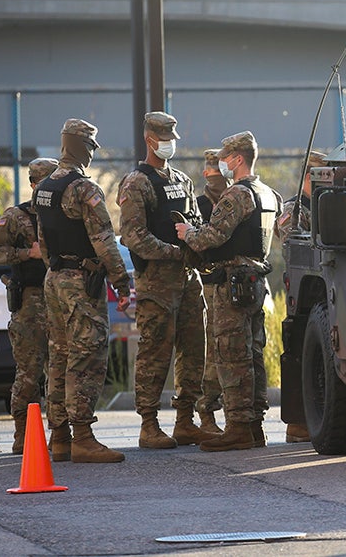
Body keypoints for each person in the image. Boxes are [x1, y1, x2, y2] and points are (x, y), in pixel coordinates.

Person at [177, 131, 282, 451]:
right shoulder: (267, 192)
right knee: (251, 354)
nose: (221, 162)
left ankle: (237, 426)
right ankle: (254, 426)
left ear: (237, 159)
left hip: (231, 284)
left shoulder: (237, 194)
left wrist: (187, 232)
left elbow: (212, 236)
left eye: (225, 157)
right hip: (255, 281)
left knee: (230, 355)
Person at [35, 118, 132, 463]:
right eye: (91, 148)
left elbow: (43, 241)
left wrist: (56, 268)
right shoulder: (84, 189)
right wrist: (122, 282)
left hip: (55, 279)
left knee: (59, 357)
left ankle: (59, 437)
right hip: (81, 283)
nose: (92, 155)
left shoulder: (44, 185)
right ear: (82, 147)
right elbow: (105, 242)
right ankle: (83, 437)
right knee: (86, 358)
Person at [116, 112, 213, 449]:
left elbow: (196, 222)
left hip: (188, 280)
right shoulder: (136, 183)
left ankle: (186, 419)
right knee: (155, 351)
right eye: (162, 136)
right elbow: (133, 236)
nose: (169, 142)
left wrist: (196, 244)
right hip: (157, 282)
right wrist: (175, 252)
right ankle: (149, 424)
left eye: (172, 135)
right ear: (149, 139)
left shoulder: (182, 180)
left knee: (193, 349)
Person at [0, 156, 59, 455]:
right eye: (44, 183)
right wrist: (27, 253)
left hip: (61, 302)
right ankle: (23, 435)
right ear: (32, 184)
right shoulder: (16, 216)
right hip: (30, 303)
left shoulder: (66, 214)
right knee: (29, 373)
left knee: (60, 371)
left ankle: (60, 434)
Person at [275, 150, 326, 444]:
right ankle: (298, 424)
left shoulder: (332, 203)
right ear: (309, 176)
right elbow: (293, 245)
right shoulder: (294, 210)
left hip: (333, 297)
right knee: (301, 358)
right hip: (305, 299)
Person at [193, 148, 228, 435]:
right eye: (215, 171)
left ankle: (241, 416)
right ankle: (206, 412)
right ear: (206, 173)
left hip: (236, 286)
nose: (220, 177)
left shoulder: (240, 200)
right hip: (210, 287)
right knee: (211, 355)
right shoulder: (199, 206)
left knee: (237, 352)